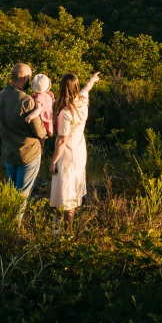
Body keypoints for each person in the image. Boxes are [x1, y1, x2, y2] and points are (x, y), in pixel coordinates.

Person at [49, 71, 100, 229]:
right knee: (72, 188)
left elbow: (62, 139)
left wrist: (53, 161)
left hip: (67, 153)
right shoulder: (82, 102)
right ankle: (67, 229)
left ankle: (59, 230)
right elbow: (86, 90)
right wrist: (92, 79)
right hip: (79, 151)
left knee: (63, 191)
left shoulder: (65, 112)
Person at [0, 63, 48, 200]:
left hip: (9, 153)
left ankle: (7, 221)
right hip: (28, 153)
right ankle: (16, 221)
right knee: (20, 198)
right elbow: (40, 132)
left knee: (10, 196)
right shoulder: (26, 101)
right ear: (24, 78)